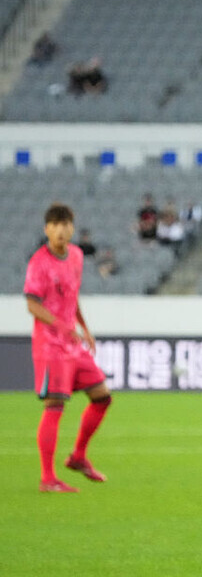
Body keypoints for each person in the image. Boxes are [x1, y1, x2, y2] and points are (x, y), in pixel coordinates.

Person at [24, 204, 113, 492]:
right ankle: (48, 478)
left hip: (73, 343)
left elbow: (72, 295)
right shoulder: (39, 262)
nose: (62, 229)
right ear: (46, 229)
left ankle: (78, 456)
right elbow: (32, 304)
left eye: (66, 224)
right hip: (50, 345)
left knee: (102, 396)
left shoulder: (76, 255)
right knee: (55, 405)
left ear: (72, 228)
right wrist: (61, 326)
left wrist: (84, 327)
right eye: (55, 224)